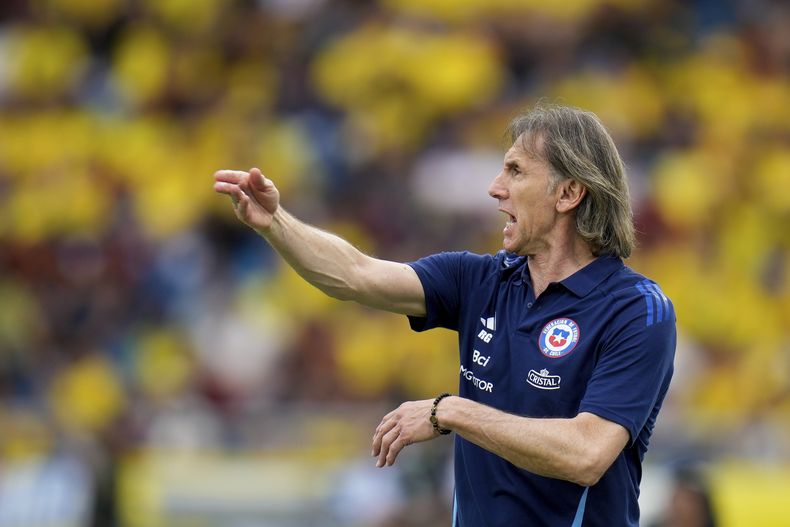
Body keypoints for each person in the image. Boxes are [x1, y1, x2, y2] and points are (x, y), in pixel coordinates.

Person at [213, 104, 676, 526]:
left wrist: (451, 412)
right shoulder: (479, 280)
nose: (496, 189)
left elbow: (586, 454)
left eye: (515, 171)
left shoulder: (635, 308)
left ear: (569, 192)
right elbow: (356, 275)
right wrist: (277, 224)